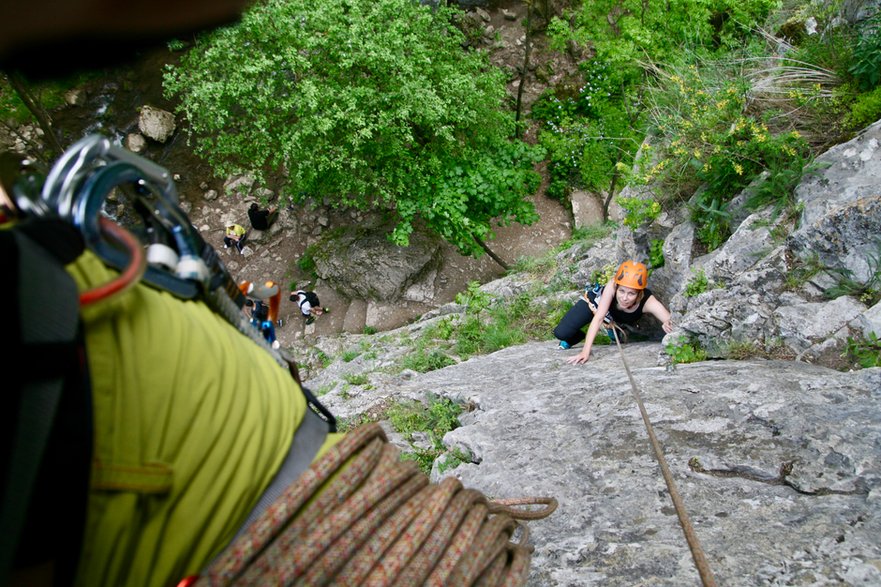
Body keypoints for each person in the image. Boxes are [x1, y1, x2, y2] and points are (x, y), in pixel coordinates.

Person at [555, 260, 673, 365]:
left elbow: (670, 320)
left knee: (614, 319)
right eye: (621, 291)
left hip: (613, 317)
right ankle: (575, 337)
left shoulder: (648, 301)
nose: (624, 298)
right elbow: (599, 317)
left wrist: (667, 323)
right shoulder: (612, 286)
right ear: (616, 287)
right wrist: (585, 352)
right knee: (561, 333)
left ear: (639, 294)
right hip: (594, 305)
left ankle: (613, 328)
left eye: (631, 293)